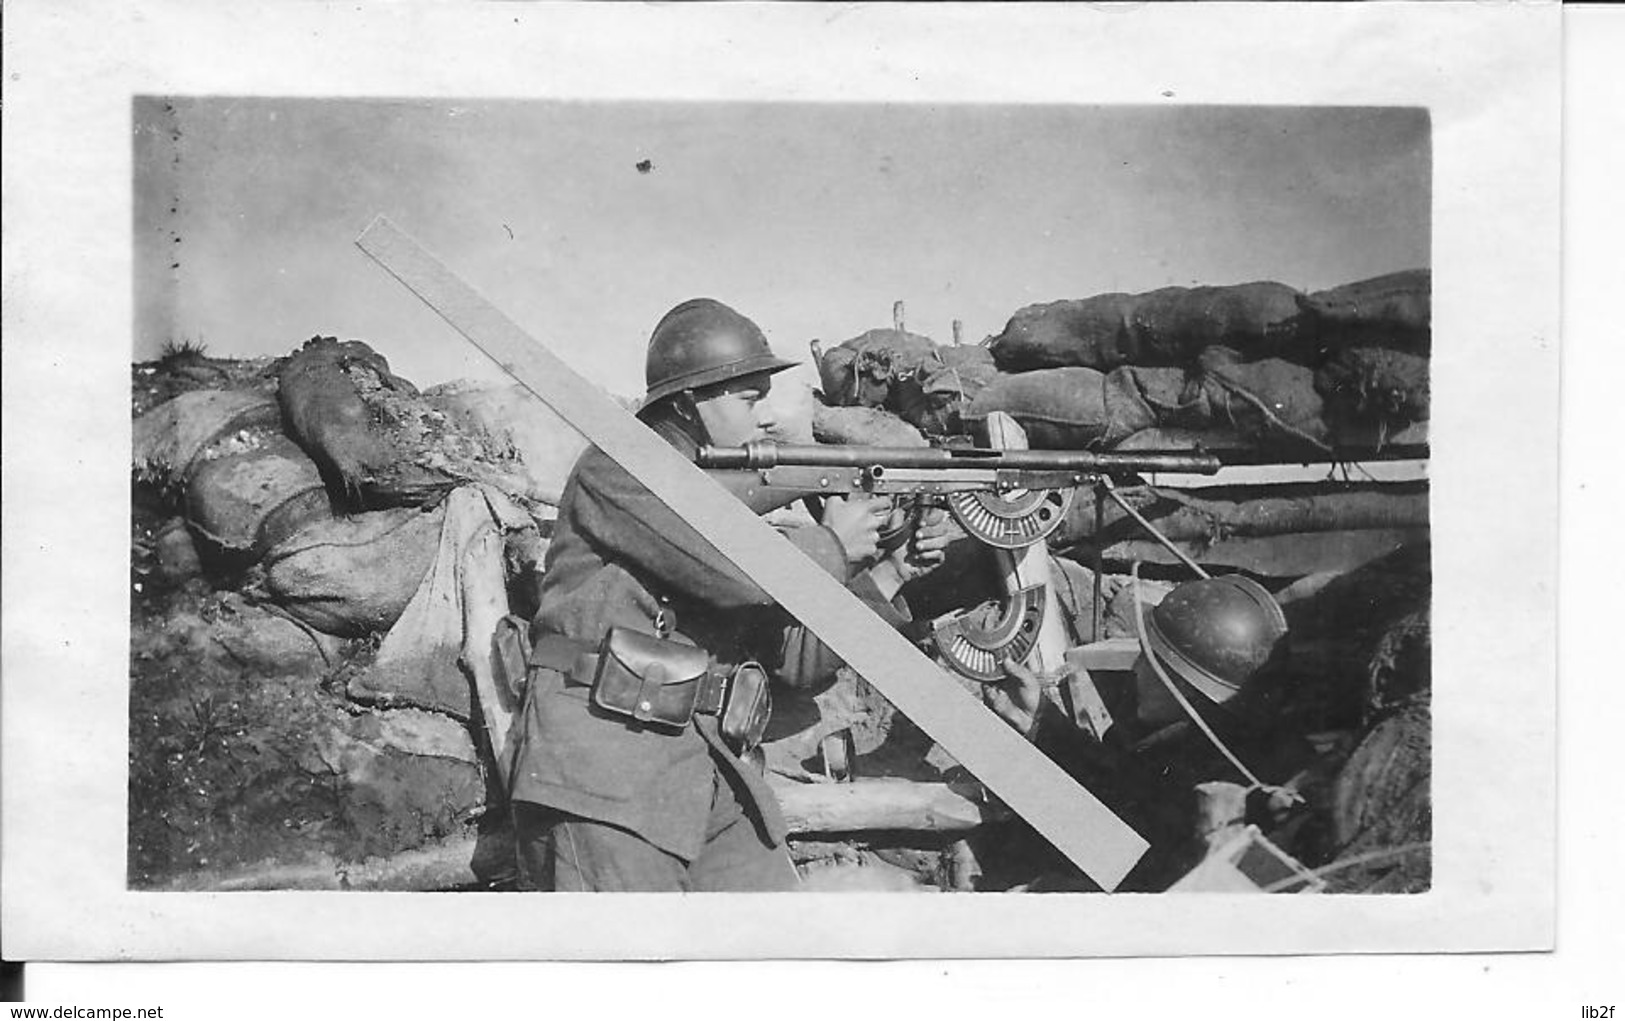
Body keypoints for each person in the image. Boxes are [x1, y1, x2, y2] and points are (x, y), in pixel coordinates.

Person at [506, 298, 955, 892]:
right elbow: (737, 572)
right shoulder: (622, 468)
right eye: (748, 400)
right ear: (692, 401)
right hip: (604, 774)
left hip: (704, 770)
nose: (764, 420)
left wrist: (891, 574)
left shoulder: (715, 513)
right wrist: (833, 546)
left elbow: (798, 663)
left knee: (778, 957)